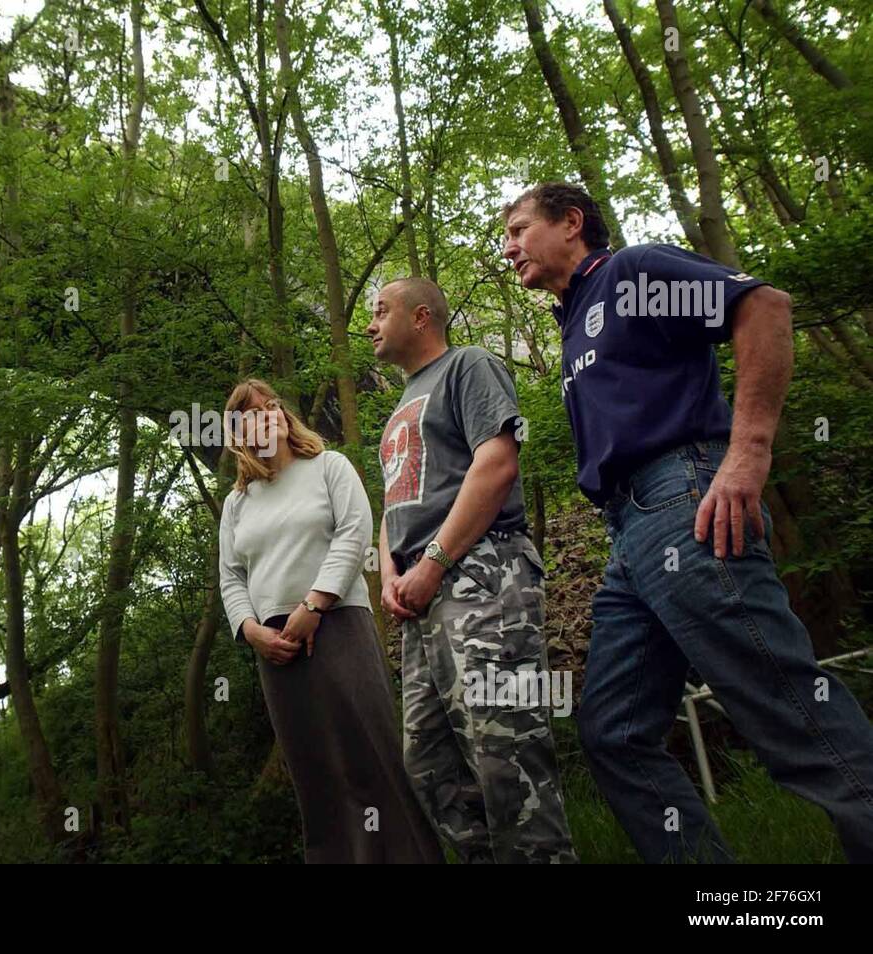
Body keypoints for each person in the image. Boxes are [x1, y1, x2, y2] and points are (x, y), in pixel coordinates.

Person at [502, 180, 873, 863]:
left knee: (785, 703)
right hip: (626, 537)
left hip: (686, 502)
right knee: (613, 733)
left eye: (521, 228)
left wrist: (749, 451)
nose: (509, 245)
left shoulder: (632, 272)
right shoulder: (573, 317)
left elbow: (764, 307)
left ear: (572, 223)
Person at [366, 277, 576, 864]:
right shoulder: (397, 412)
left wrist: (434, 561)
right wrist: (390, 575)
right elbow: (393, 506)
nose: (370, 324)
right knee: (429, 762)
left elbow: (497, 462)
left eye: (382, 311)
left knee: (504, 750)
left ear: (422, 316)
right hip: (417, 597)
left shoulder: (469, 366)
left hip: (482, 575)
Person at [217, 378, 443, 864]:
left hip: (337, 622)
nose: (269, 414)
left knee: (371, 755)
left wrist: (314, 606)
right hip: (275, 647)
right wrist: (253, 632)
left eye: (273, 405)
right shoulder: (237, 504)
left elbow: (355, 531)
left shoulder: (327, 467)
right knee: (313, 772)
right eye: (254, 412)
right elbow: (231, 579)